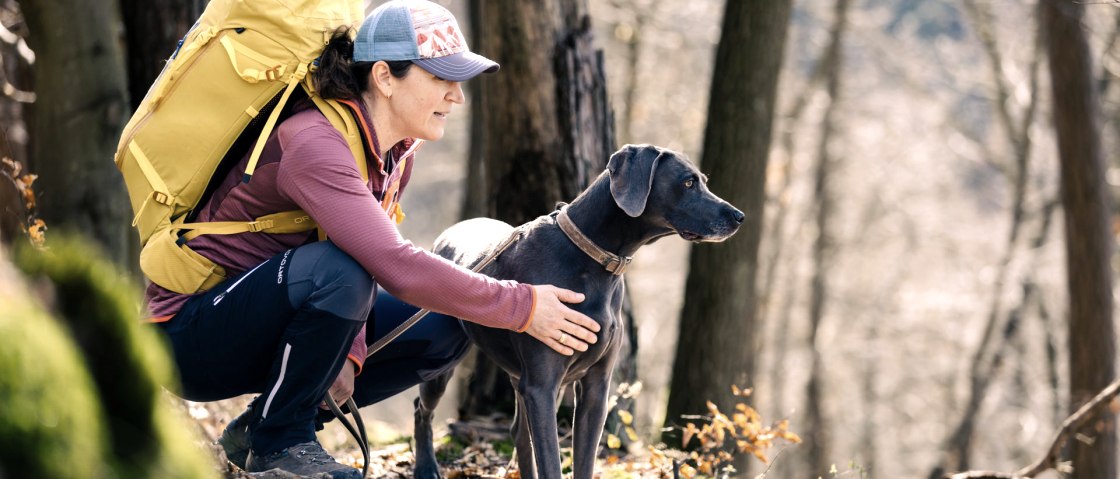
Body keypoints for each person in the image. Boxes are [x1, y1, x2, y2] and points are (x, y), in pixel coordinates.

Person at [145, 1, 601, 477]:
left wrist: (352, 349)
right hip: (188, 338)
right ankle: (279, 440)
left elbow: (371, 252)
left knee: (448, 323)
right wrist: (523, 305)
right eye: (440, 79)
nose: (457, 96)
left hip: (269, 322)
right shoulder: (313, 143)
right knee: (340, 272)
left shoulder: (395, 153)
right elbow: (391, 263)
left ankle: (261, 428)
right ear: (384, 77)